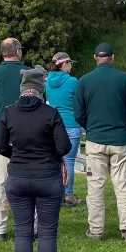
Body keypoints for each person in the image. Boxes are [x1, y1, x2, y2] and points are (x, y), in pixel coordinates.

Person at [0, 66, 72, 252]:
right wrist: (49, 154)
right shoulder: (50, 113)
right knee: (48, 233)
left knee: (22, 233)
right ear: (41, 89)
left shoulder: (9, 112)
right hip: (48, 177)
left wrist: (17, 155)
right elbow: (64, 147)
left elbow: (0, 145)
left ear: (22, 89)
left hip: (18, 178)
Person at [74, 42, 126, 241]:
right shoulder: (124, 79)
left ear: (95, 58)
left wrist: (91, 127)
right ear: (112, 58)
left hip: (96, 139)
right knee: (123, 186)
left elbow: (78, 113)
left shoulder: (85, 81)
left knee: (95, 186)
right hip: (121, 139)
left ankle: (95, 230)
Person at [0, 38, 31, 241]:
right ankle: (30, 227)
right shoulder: (29, 73)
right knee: (30, 181)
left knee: (0, 182)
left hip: (1, 133)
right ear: (18, 51)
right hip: (29, 135)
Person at [45, 52, 83, 207]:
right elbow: (80, 101)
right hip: (71, 124)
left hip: (53, 125)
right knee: (69, 161)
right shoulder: (73, 81)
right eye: (71, 63)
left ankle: (56, 193)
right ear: (65, 64)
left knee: (55, 161)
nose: (72, 66)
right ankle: (68, 194)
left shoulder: (48, 81)